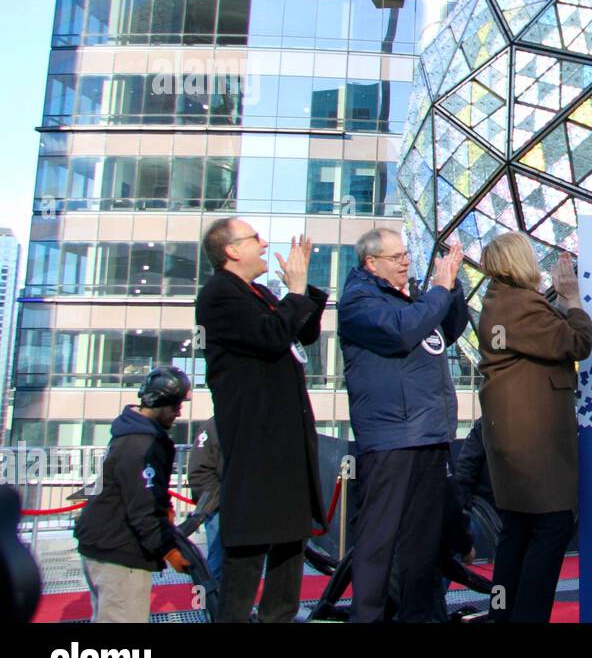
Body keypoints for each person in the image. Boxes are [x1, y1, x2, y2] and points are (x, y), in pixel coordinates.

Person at [195, 218, 327, 623]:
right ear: (232, 250)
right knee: (248, 556)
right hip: (257, 445)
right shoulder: (219, 295)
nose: (265, 243)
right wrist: (295, 292)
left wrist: (302, 291)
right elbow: (271, 336)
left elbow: (301, 336)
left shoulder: (257, 293)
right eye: (255, 238)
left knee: (290, 548)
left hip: (285, 444)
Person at [337, 228, 469, 623]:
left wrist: (452, 285)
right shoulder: (360, 301)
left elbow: (449, 329)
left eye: (406, 254)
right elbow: (400, 332)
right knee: (379, 540)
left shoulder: (413, 300)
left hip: (429, 434)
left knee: (422, 542)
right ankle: (369, 616)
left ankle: (418, 615)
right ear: (371, 263)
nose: (406, 262)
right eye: (396, 257)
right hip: (392, 438)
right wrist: (438, 292)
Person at [476, 233, 592, 623]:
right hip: (535, 443)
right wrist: (574, 301)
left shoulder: (501, 300)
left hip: (514, 439)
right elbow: (577, 342)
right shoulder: (521, 304)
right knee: (552, 525)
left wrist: (557, 303)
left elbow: (543, 336)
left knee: (518, 531)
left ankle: (503, 613)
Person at [75, 367, 193, 623]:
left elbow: (146, 494)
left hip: (103, 545)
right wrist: (168, 550)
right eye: (174, 405)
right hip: (119, 553)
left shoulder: (130, 433)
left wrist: (165, 510)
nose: (178, 412)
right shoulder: (142, 443)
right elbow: (143, 508)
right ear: (158, 401)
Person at [187, 416, 222, 586]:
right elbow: (199, 472)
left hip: (243, 505)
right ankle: (209, 606)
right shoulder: (213, 427)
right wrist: (221, 499)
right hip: (220, 507)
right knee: (217, 562)